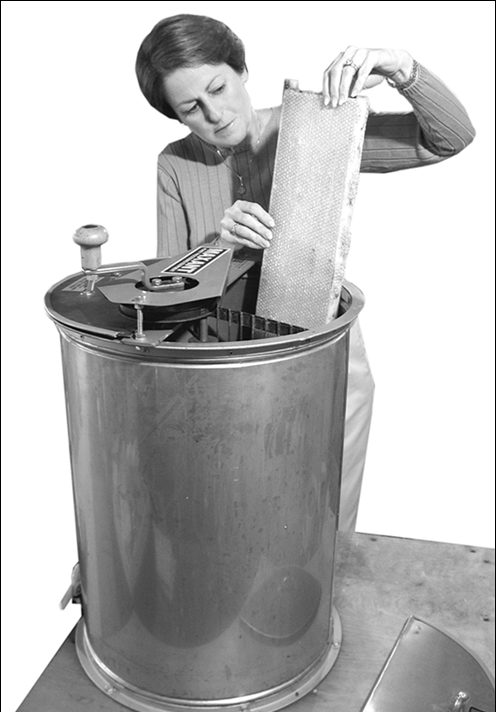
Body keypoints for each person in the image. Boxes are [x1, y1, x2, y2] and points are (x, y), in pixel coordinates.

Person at [135, 14, 475, 532]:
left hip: (325, 347)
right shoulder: (175, 165)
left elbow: (448, 139)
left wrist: (402, 67)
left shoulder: (318, 125)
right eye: (191, 109)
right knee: (239, 518)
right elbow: (163, 297)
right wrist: (217, 246)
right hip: (227, 362)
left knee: (322, 517)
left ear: (242, 69)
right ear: (176, 117)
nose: (214, 113)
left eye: (219, 87)